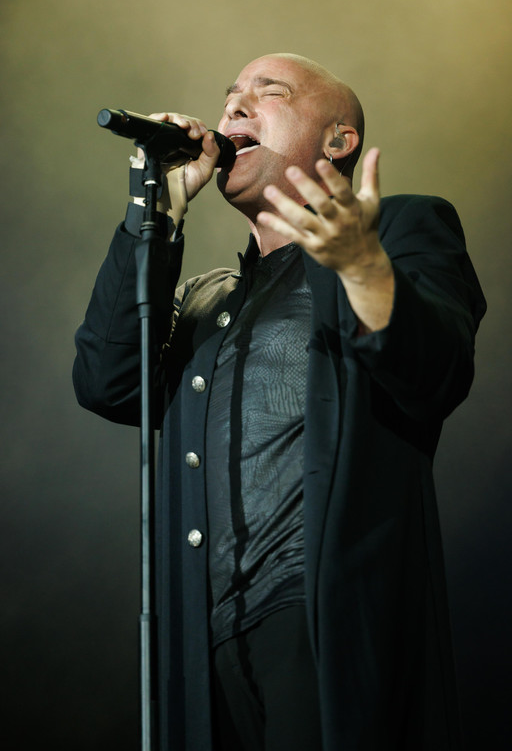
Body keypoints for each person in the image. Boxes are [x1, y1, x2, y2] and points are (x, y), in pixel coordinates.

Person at [73, 53, 486, 750]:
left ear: (339, 140)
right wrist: (157, 217)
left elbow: (438, 371)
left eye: (269, 93)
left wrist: (364, 270)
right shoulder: (205, 301)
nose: (234, 106)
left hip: (320, 614)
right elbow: (105, 382)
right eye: (230, 95)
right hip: (202, 642)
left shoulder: (399, 231)